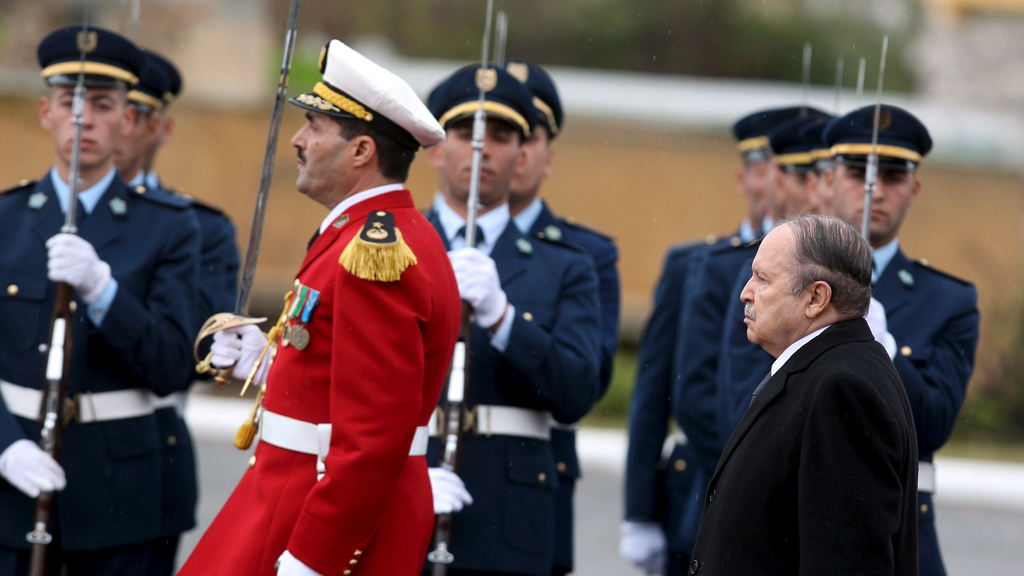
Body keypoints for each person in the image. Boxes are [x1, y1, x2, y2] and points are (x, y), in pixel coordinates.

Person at [175, 40, 460, 576]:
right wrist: (272, 362)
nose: (298, 141)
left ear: (361, 152)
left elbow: (374, 436)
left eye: (315, 126)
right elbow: (339, 372)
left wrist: (312, 558)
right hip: (293, 496)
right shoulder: (369, 233)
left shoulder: (373, 251)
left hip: (315, 517)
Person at [0, 25, 201, 575]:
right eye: (70, 102)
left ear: (129, 121)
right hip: (10, 485)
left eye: (104, 104)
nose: (84, 118)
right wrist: (4, 445)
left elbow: (173, 365)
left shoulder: (170, 228)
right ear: (46, 112)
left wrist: (103, 291)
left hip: (120, 494)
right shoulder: (5, 219)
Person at [423, 64, 602, 576]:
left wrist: (504, 318)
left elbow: (576, 392)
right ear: (436, 149)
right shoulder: (392, 245)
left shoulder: (565, 264)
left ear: (522, 155)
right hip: (406, 486)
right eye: (465, 134)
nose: (481, 150)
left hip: (509, 516)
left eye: (500, 137)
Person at [620, 106, 805, 575]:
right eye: (766, 168)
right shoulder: (697, 263)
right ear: (746, 177)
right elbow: (661, 391)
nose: (777, 184)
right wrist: (638, 510)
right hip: (701, 489)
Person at [689, 214, 919, 576]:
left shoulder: (841, 389)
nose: (745, 293)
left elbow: (845, 561)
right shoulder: (824, 369)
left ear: (816, 297)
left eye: (762, 279)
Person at [822, 105, 980, 576]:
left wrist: (882, 345)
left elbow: (932, 424)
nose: (874, 189)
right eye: (857, 173)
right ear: (828, 179)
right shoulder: (781, 283)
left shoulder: (948, 300)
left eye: (893, 176)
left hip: (897, 536)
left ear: (914, 188)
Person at [113, 49, 240, 573]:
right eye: (98, 106)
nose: (114, 126)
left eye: (131, 113)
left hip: (140, 462)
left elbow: (195, 350)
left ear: (160, 127)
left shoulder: (200, 229)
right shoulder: (29, 218)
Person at [504, 59, 620, 576]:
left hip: (532, 481)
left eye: (526, 134)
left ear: (547, 156)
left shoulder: (586, 255)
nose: (511, 149)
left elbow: (586, 379)